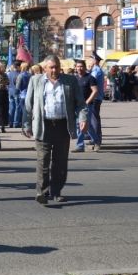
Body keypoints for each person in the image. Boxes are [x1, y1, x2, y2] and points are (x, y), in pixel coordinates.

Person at [24, 55, 88, 205]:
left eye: (56, 67)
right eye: (51, 67)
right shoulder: (36, 80)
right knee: (43, 160)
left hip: (62, 126)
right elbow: (28, 105)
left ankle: (57, 191)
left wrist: (83, 118)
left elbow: (81, 104)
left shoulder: (69, 81)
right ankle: (42, 192)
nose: (54, 70)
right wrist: (26, 125)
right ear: (45, 68)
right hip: (43, 126)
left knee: (60, 162)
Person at [72, 59, 100, 152]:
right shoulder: (74, 78)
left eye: (81, 66)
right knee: (85, 125)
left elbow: (95, 91)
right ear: (75, 68)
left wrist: (87, 102)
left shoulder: (90, 78)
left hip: (87, 105)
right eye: (78, 66)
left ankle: (80, 146)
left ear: (84, 67)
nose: (79, 68)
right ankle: (96, 141)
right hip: (76, 105)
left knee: (83, 124)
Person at [87, 52, 105, 144]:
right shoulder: (95, 70)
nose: (89, 61)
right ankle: (94, 137)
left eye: (90, 60)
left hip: (96, 97)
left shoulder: (96, 70)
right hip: (96, 97)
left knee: (94, 118)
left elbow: (89, 80)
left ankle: (96, 139)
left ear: (95, 61)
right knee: (92, 118)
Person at [7, 61, 22, 128]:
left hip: (10, 91)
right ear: (18, 67)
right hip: (17, 92)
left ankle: (10, 122)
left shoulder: (9, 74)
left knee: (11, 107)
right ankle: (16, 123)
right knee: (17, 108)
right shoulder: (18, 74)